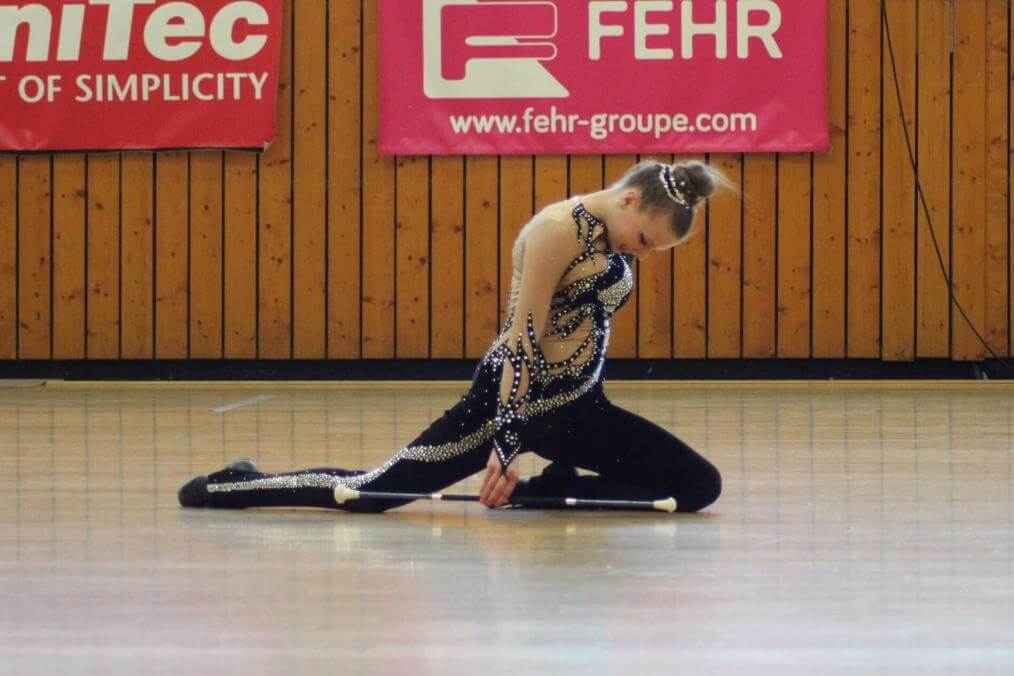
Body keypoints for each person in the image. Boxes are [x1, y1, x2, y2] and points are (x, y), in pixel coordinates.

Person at [179, 158, 730, 514]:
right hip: (506, 403)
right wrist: (508, 442)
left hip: (582, 409)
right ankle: (234, 485)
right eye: (642, 241)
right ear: (629, 200)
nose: (639, 254)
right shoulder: (558, 231)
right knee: (370, 492)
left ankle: (533, 494)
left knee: (698, 487)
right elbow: (522, 340)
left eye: (651, 252)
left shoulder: (615, 238)